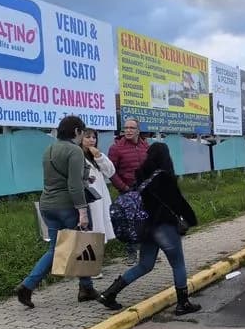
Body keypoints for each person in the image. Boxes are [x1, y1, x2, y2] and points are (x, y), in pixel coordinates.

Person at [98, 143, 201, 315]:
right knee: (178, 264)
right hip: (164, 227)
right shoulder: (165, 177)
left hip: (146, 228)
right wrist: (191, 220)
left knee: (144, 265)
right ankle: (183, 303)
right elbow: (178, 203)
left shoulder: (141, 175)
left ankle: (110, 293)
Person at [14, 116, 96, 308]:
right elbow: (74, 185)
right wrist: (82, 212)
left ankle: (28, 286)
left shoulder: (48, 149)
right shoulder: (74, 150)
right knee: (82, 245)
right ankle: (86, 288)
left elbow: (58, 178)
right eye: (82, 132)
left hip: (47, 205)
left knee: (56, 249)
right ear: (76, 131)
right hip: (67, 206)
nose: (83, 136)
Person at [108, 118, 149, 264]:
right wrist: (123, 188)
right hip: (128, 190)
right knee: (130, 221)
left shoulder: (145, 145)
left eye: (132, 128)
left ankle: (148, 252)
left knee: (145, 220)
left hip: (144, 189)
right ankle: (131, 253)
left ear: (138, 130)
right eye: (126, 128)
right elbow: (110, 172)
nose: (128, 131)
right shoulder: (116, 148)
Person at [81, 130, 116, 278]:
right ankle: (90, 269)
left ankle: (96, 265)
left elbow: (111, 171)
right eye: (87, 137)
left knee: (100, 230)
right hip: (87, 200)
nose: (91, 140)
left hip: (100, 199)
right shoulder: (78, 156)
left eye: (94, 137)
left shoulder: (96, 156)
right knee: (91, 232)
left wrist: (99, 156)